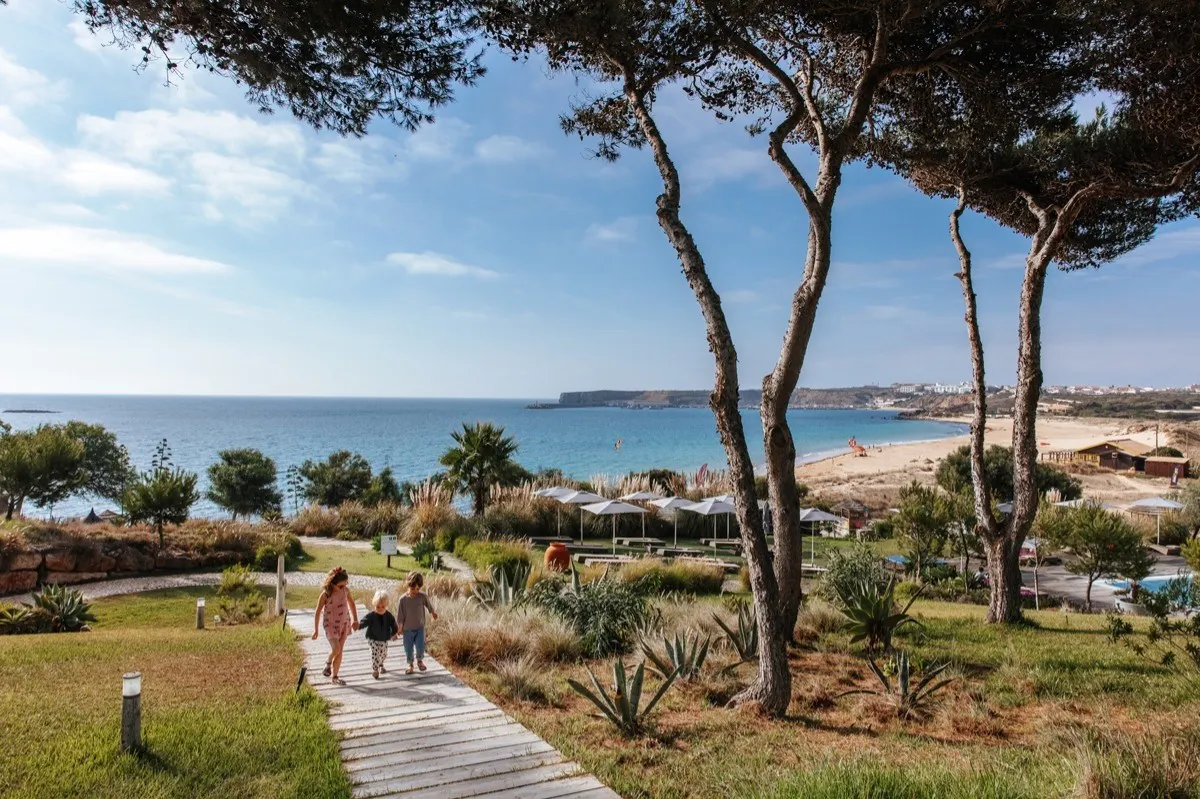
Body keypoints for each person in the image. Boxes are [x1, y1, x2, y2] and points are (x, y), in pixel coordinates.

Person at [312, 566, 359, 685]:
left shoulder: (345, 591)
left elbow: (352, 604)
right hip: (330, 625)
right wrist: (316, 630)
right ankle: (328, 663)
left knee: (340, 650)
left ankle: (335, 676)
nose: (344, 587)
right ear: (332, 583)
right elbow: (317, 612)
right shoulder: (325, 595)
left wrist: (355, 619)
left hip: (344, 623)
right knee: (336, 648)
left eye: (345, 584)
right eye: (341, 586)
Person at [397, 571, 438, 675]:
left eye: (418, 589)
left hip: (420, 628)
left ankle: (420, 661)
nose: (415, 591)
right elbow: (400, 616)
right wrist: (400, 627)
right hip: (407, 630)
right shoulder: (403, 600)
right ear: (408, 585)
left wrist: (432, 612)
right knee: (408, 648)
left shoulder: (422, 597)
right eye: (413, 588)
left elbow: (428, 604)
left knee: (420, 646)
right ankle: (410, 664)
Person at [361, 589, 399, 679]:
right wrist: (359, 625)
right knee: (375, 652)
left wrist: (394, 633)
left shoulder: (389, 616)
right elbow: (365, 621)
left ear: (386, 606)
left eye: (383, 607)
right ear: (374, 605)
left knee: (384, 653)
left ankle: (381, 664)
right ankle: (375, 669)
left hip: (384, 638)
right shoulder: (372, 615)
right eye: (378, 607)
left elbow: (393, 625)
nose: (380, 609)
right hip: (372, 638)